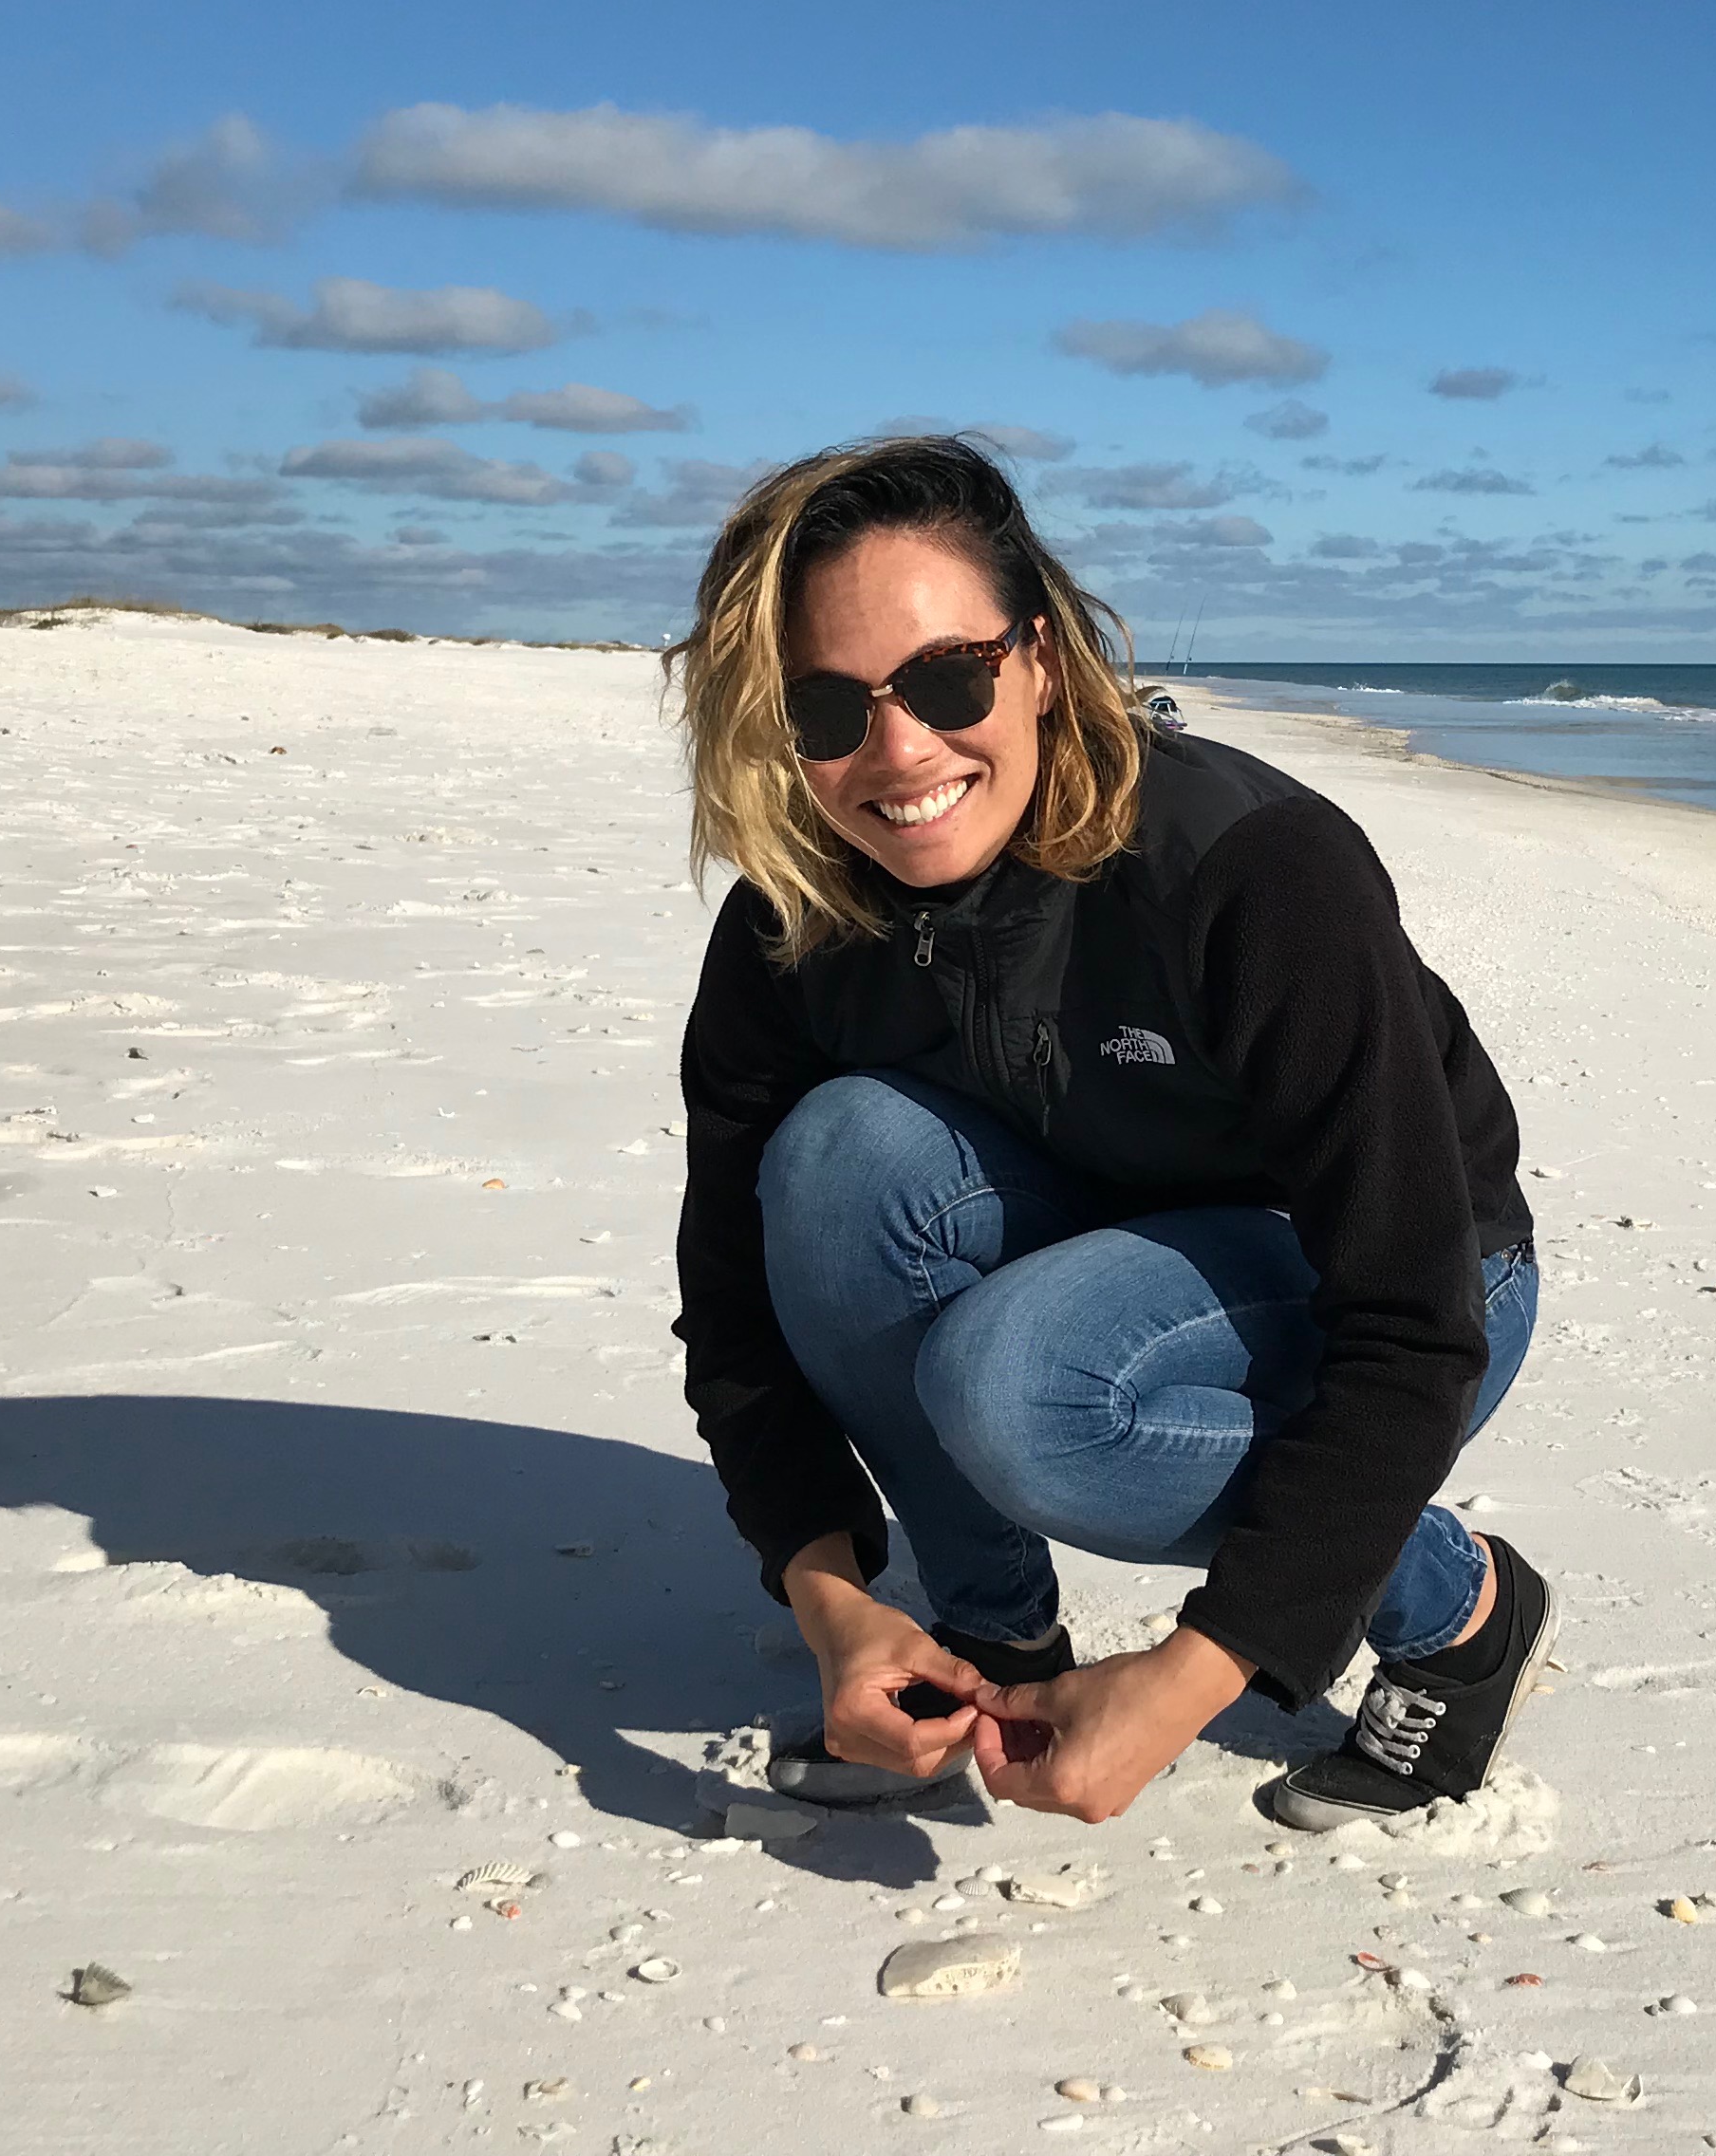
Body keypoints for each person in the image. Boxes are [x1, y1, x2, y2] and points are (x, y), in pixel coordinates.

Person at [662, 437, 1553, 1831]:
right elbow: (730, 1306)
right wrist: (832, 1605)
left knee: (1021, 1391)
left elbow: (1411, 1318)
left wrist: (1204, 1668)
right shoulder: (794, 926)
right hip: (1106, 1221)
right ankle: (986, 1649)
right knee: (841, 1159)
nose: (898, 753)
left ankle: (1459, 1607)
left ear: (1039, 659)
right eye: (827, 709)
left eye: (947, 679)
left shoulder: (1252, 871)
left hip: (1409, 1269)